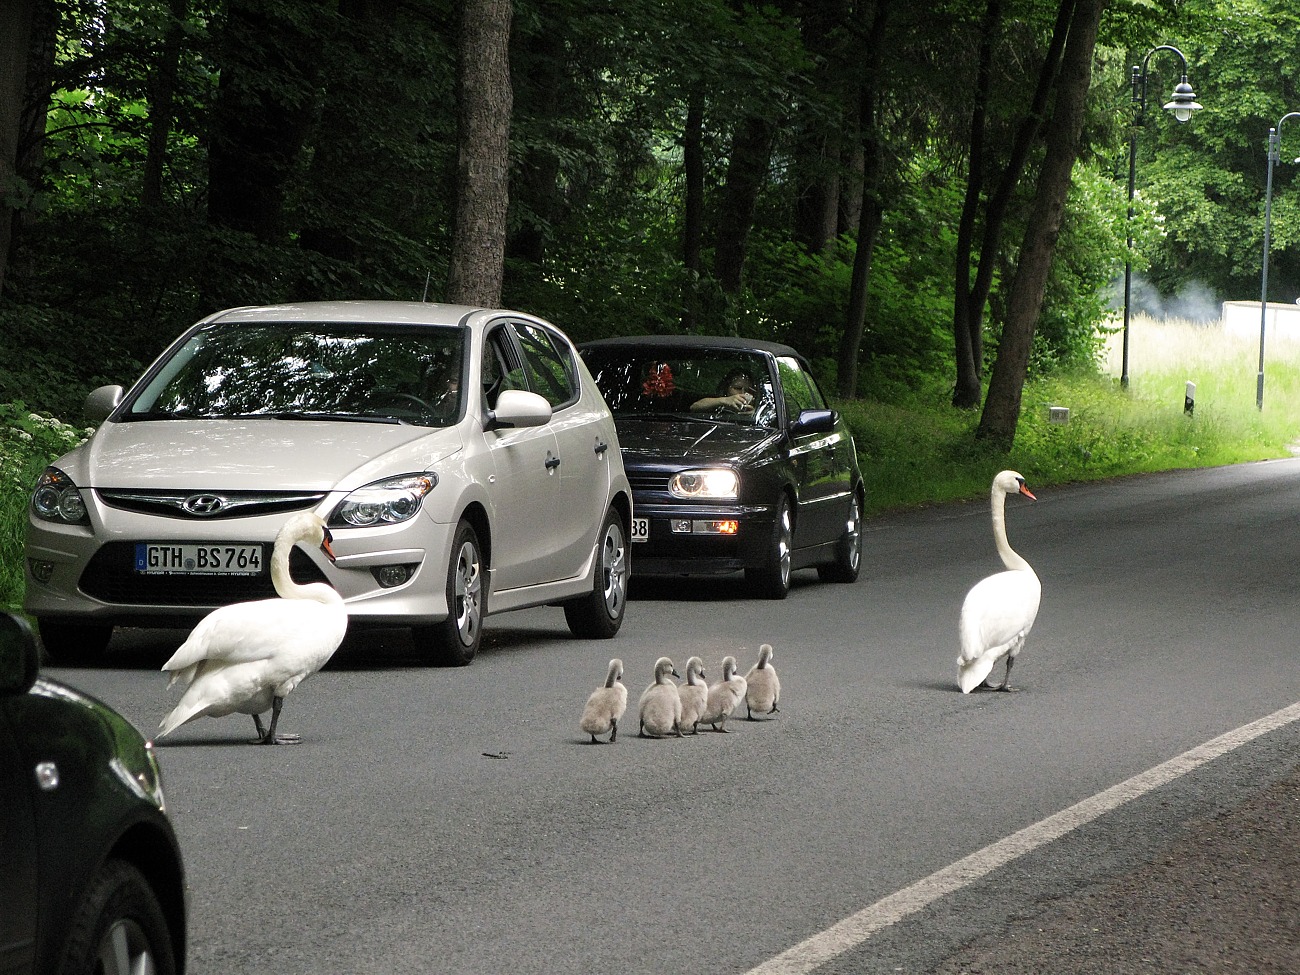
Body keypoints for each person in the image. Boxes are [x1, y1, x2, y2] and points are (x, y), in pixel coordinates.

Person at [691, 369, 757, 413]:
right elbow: (694, 407)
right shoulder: (717, 403)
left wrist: (754, 416)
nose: (743, 393)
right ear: (726, 388)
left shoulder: (758, 407)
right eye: (737, 388)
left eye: (748, 390)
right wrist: (725, 401)